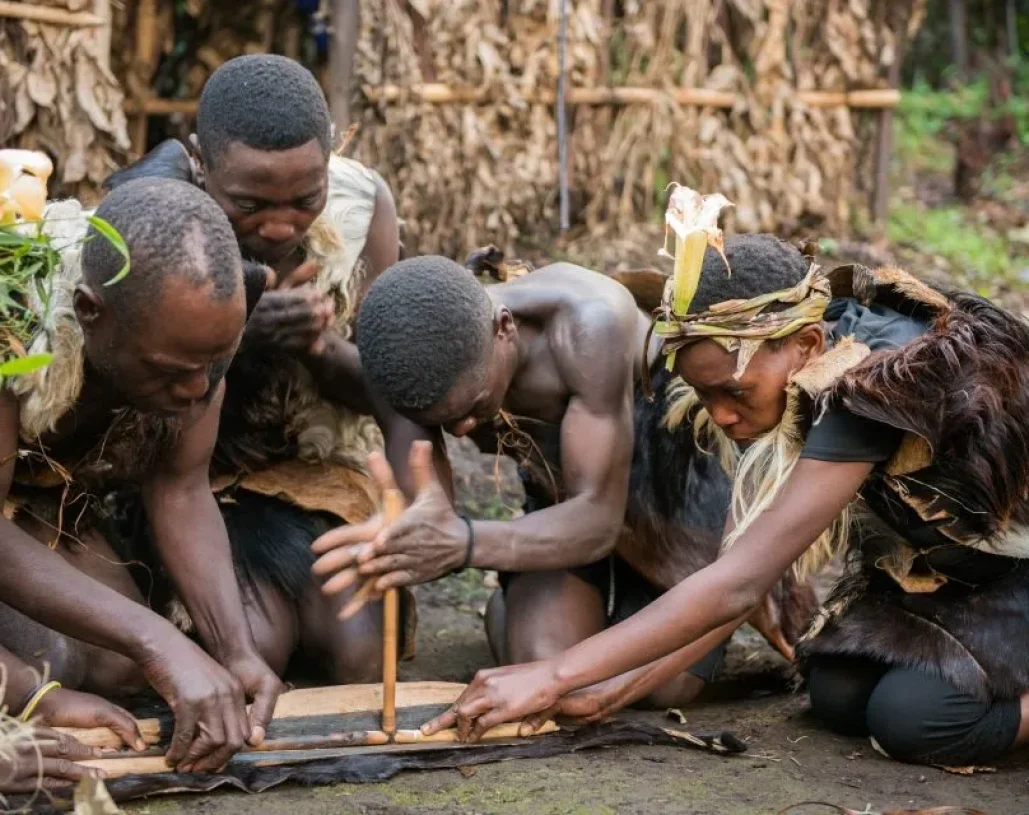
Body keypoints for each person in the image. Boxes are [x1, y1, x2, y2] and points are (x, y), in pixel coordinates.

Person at [418, 231, 1029, 768]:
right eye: (703, 395)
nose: (723, 415)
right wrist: (606, 691)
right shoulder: (793, 362)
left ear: (808, 344)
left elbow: (739, 581)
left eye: (733, 392)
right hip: (949, 577)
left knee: (914, 721)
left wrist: (553, 676)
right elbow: (743, 562)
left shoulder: (870, 384)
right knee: (837, 691)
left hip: (1011, 570)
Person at [312, 254, 814, 707]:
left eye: (475, 407)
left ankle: (642, 609)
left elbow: (597, 519)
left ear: (503, 327)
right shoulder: (416, 364)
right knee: (548, 672)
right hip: (561, 505)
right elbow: (430, 509)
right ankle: (521, 600)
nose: (465, 429)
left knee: (662, 688)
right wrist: (407, 534)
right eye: (446, 420)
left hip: (668, 491)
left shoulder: (589, 325)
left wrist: (464, 542)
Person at [104, 54, 431, 680]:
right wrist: (239, 336)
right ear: (201, 162)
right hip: (183, 481)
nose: (279, 225)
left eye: (307, 198)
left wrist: (321, 346)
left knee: (359, 656)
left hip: (317, 480)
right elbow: (121, 395)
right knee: (257, 643)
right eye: (248, 202)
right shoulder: (150, 213)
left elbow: (395, 393)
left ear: (331, 157)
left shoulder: (364, 208)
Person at [1, 176, 281, 772]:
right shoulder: (13, 325)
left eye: (215, 363)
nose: (197, 389)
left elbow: (180, 488)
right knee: (55, 662)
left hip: (37, 504)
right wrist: (160, 642)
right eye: (171, 370)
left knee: (119, 666)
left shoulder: (196, 345)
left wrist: (235, 649)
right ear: (88, 312)